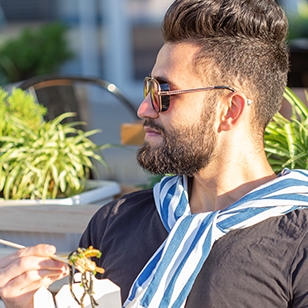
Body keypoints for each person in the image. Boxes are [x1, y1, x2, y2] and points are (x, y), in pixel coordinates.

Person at [1, 0, 308, 307]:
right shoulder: (115, 222)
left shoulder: (299, 244)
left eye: (163, 93)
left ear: (230, 110)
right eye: (148, 88)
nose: (144, 108)